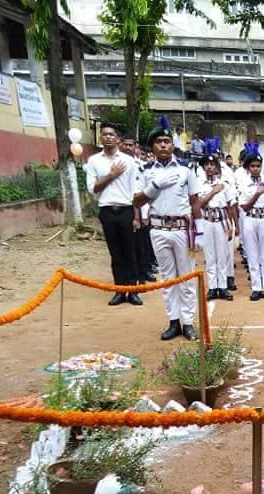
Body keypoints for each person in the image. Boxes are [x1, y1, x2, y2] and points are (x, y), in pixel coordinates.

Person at [133, 126, 201, 341]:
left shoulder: (186, 168)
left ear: (173, 145)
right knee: (167, 278)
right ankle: (173, 321)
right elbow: (136, 200)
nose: (163, 145)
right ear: (152, 146)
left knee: (187, 277)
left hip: (182, 229)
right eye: (159, 141)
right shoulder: (144, 171)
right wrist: (154, 186)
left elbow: (195, 201)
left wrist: (200, 232)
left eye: (167, 141)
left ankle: (188, 322)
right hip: (159, 229)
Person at [85, 123, 142, 307]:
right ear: (100, 138)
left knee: (130, 252)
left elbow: (135, 190)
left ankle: (132, 290)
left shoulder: (129, 161)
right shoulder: (94, 161)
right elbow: (93, 188)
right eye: (104, 134)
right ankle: (119, 290)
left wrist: (137, 217)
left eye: (111, 134)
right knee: (115, 253)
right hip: (107, 211)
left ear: (118, 139)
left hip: (126, 210)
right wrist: (111, 175)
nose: (108, 137)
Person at [237, 146, 264, 301]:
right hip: (250, 218)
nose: (255, 169)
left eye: (258, 166)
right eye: (252, 166)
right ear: (248, 168)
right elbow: (245, 206)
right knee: (252, 255)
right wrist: (257, 193)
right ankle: (256, 287)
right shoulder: (243, 183)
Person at [197, 154, 236, 301]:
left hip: (221, 220)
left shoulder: (224, 184)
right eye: (206, 164)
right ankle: (213, 287)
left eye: (212, 165)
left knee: (222, 254)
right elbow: (199, 203)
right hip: (207, 219)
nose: (209, 167)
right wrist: (213, 191)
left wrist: (233, 225)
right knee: (210, 255)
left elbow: (231, 205)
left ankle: (223, 286)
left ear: (216, 167)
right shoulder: (200, 184)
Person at [120, 135, 156, 284]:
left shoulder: (140, 166)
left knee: (142, 244)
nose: (128, 148)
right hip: (123, 207)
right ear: (121, 144)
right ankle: (129, 276)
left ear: (135, 147)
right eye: (125, 145)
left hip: (139, 210)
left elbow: (143, 191)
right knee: (128, 245)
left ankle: (143, 272)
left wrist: (144, 213)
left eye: (131, 145)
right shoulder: (117, 163)